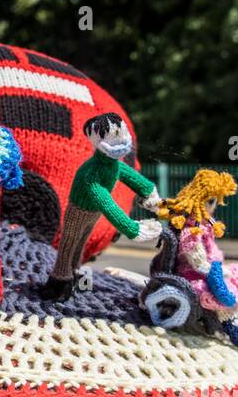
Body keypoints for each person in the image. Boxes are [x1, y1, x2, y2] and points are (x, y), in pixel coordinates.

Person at [41, 112, 163, 301]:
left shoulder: (112, 164)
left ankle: (74, 276)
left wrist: (148, 191)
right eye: (112, 137)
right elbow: (105, 202)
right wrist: (131, 228)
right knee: (69, 244)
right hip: (79, 211)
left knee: (80, 244)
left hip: (92, 213)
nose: (120, 140)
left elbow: (128, 174)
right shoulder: (92, 172)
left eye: (120, 133)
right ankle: (58, 283)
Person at [158, 168, 238, 348]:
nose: (213, 205)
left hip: (213, 269)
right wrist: (220, 270)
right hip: (196, 275)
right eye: (211, 200)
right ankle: (233, 325)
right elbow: (198, 262)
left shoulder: (205, 224)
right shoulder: (191, 230)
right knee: (222, 290)